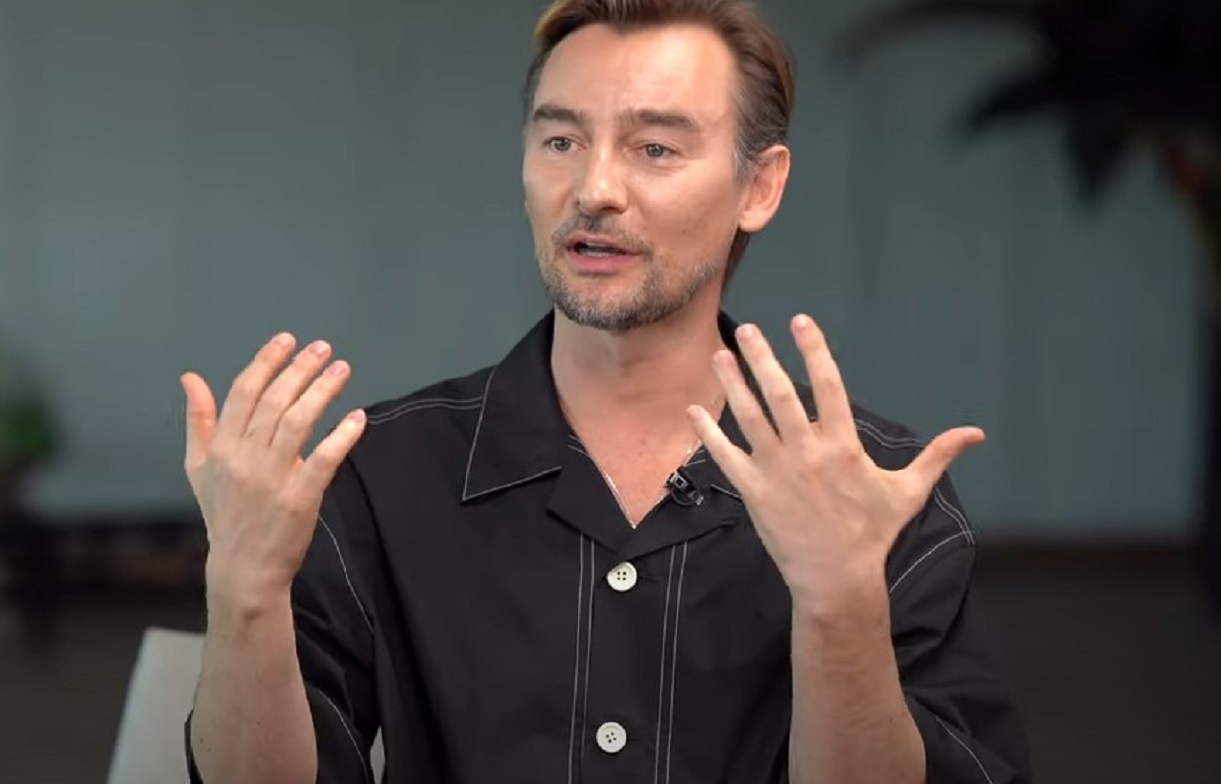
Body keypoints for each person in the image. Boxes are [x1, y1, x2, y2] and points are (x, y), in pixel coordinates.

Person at [181, 0, 1031, 782]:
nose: (593, 190)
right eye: (561, 141)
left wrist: (841, 608)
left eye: (654, 148)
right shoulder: (381, 473)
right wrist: (243, 593)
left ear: (759, 186)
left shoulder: (873, 491)